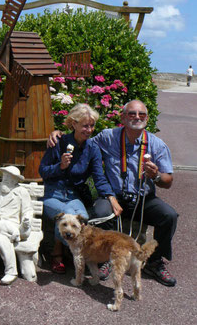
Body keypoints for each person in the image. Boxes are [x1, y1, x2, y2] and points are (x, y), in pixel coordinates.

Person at [48, 100, 178, 287]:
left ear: (147, 118)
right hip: (113, 196)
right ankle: (104, 260)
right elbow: (81, 139)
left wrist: (156, 175)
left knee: (169, 216)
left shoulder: (157, 144)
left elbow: (168, 181)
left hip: (143, 198)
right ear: (122, 118)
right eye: (132, 114)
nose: (137, 117)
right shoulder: (108, 137)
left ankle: (155, 262)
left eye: (141, 114)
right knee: (100, 214)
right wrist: (58, 134)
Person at [39, 103, 112, 274]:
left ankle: (61, 250)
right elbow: (42, 171)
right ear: (74, 124)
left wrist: (111, 197)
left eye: (92, 125)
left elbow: (99, 177)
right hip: (53, 193)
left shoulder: (93, 148)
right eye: (85, 125)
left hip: (73, 195)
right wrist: (60, 166)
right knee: (68, 217)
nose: (89, 129)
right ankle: (66, 255)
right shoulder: (58, 142)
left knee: (82, 219)